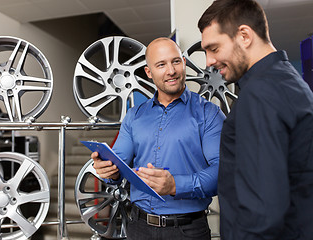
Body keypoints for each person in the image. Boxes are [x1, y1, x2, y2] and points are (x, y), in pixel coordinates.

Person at [198, 0, 313, 239]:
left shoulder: (261, 94)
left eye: (214, 48)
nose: (208, 61)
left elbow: (261, 212)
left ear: (244, 36)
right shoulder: (287, 80)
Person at [91, 37, 225, 240]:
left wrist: (175, 186)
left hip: (188, 231)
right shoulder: (134, 116)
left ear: (184, 63)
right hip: (138, 227)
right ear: (149, 72)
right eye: (161, 65)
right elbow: (118, 164)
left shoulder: (209, 114)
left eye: (176, 61)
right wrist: (108, 171)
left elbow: (223, 173)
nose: (171, 71)